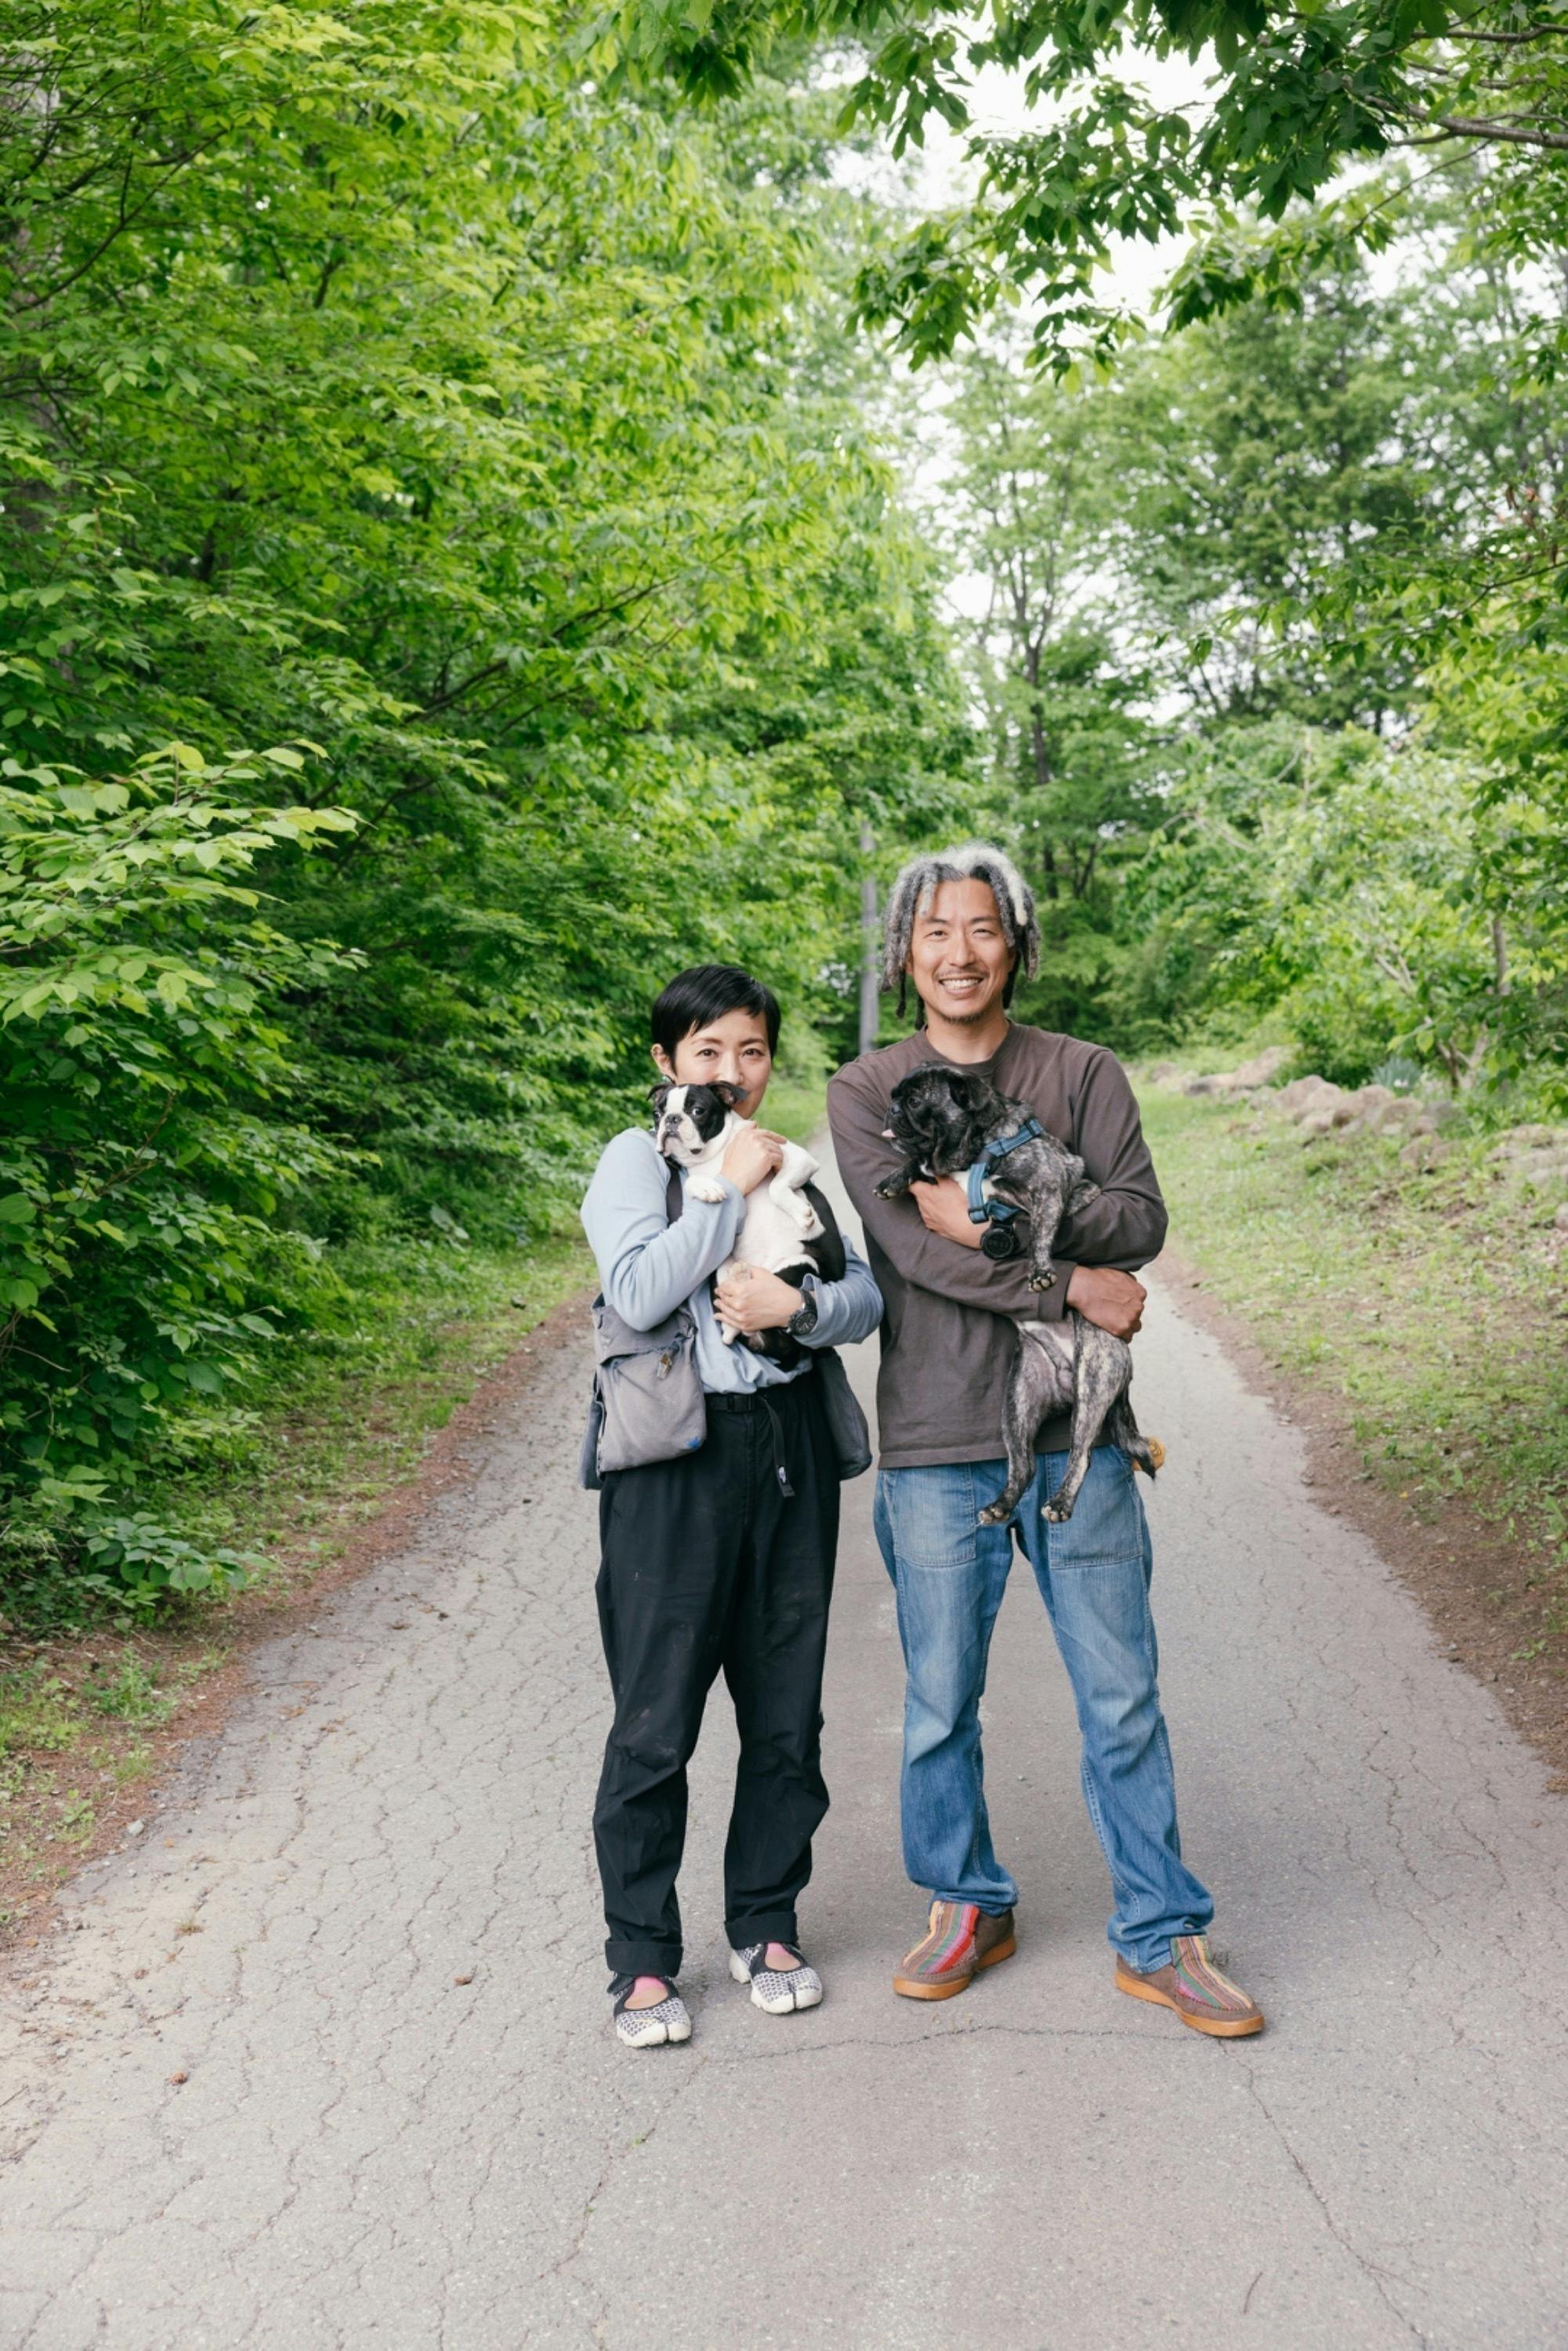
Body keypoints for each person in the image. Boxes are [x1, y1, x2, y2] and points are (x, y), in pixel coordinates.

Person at [827, 842, 1263, 2038]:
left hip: (1081, 1436)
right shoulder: (867, 1092)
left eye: (981, 929)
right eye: (934, 932)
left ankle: (1158, 1932)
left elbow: (1140, 1217)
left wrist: (987, 1219)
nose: (957, 953)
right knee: (938, 1702)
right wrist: (1070, 1279)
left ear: (1015, 944)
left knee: (1120, 1695)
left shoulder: (1081, 1071)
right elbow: (909, 1250)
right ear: (903, 952)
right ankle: (966, 1903)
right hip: (933, 1437)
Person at [581, 964, 882, 2047]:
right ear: (665, 1062)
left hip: (786, 1447)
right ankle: (641, 1958)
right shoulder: (637, 1161)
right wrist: (722, 1191)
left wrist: (793, 1308)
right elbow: (636, 1292)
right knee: (655, 1719)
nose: (732, 1071)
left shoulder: (787, 1162)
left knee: (785, 1708)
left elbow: (861, 1294)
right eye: (708, 1051)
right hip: (672, 1460)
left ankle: (765, 1923)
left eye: (750, 1051)